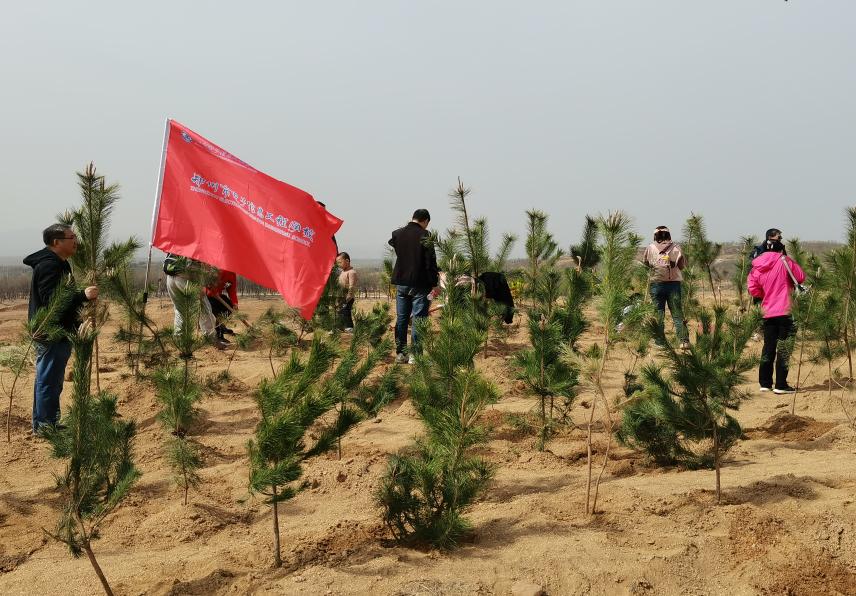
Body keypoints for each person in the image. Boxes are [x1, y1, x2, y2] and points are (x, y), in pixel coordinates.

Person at [24, 224, 98, 435]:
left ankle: (46, 423)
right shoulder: (49, 266)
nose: (76, 241)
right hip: (51, 332)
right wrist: (83, 295)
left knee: (50, 379)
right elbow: (52, 302)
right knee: (49, 380)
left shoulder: (60, 263)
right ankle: (45, 426)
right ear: (57, 242)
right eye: (71, 237)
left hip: (58, 330)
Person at [748, 239, 805, 394]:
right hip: (786, 310)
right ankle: (781, 385)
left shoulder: (756, 266)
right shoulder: (784, 260)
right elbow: (800, 277)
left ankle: (765, 383)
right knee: (784, 348)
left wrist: (766, 295)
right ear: (780, 250)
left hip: (768, 312)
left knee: (768, 347)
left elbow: (753, 289)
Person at [388, 209, 439, 364]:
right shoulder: (426, 235)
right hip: (420, 283)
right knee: (418, 319)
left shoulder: (397, 233)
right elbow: (430, 262)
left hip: (401, 282)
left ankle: (401, 354)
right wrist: (434, 283)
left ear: (413, 218)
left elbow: (395, 246)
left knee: (402, 319)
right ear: (425, 221)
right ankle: (415, 356)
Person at [642, 226, 690, 350]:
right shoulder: (676, 248)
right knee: (677, 313)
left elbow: (646, 264)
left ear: (655, 236)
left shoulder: (650, 247)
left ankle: (660, 342)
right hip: (674, 284)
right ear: (668, 235)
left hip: (656, 284)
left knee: (659, 314)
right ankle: (684, 341)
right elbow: (682, 266)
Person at [162, 252, 223, 348]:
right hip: (185, 279)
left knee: (179, 309)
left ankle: (179, 339)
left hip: (170, 279)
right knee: (204, 308)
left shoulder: (179, 244)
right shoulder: (199, 246)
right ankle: (210, 339)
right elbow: (201, 268)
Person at [205, 269, 238, 343]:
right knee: (216, 313)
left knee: (228, 306)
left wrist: (235, 302)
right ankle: (219, 335)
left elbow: (231, 289)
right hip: (207, 295)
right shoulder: (215, 268)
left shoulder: (232, 274)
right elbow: (204, 281)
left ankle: (221, 326)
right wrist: (210, 290)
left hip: (217, 295)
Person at [336, 252, 357, 332]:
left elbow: (352, 286)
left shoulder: (351, 272)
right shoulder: (342, 272)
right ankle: (340, 327)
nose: (338, 264)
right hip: (340, 297)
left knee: (346, 311)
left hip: (348, 297)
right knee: (340, 312)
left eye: (340, 262)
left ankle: (349, 327)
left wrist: (348, 296)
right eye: (337, 263)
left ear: (347, 261)